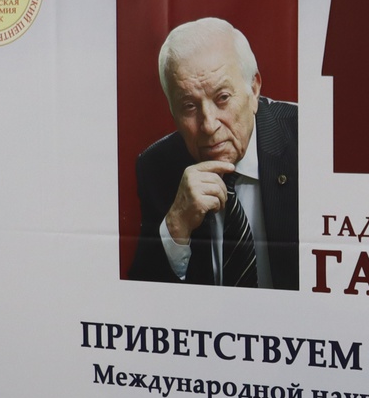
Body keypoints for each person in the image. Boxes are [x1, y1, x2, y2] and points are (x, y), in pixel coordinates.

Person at [127, 18, 298, 288]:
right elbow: (141, 297)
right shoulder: (156, 167)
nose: (208, 125)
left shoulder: (307, 138)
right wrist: (176, 226)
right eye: (189, 106)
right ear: (172, 111)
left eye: (222, 98)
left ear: (253, 89)